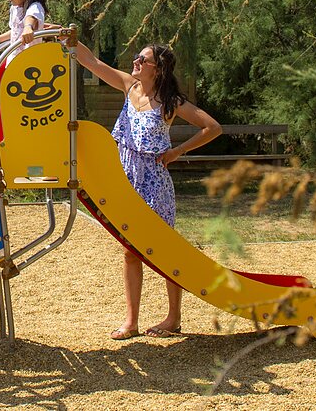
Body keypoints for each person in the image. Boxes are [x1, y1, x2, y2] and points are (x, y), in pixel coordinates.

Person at [69, 38, 222, 340]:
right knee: (129, 252)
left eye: (142, 59)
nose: (135, 62)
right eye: (136, 57)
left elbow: (212, 128)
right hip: (125, 180)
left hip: (154, 183)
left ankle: (174, 318)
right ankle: (131, 321)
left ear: (158, 68)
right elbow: (93, 63)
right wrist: (70, 41)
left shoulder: (170, 102)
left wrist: (177, 152)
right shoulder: (129, 86)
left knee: (166, 252)